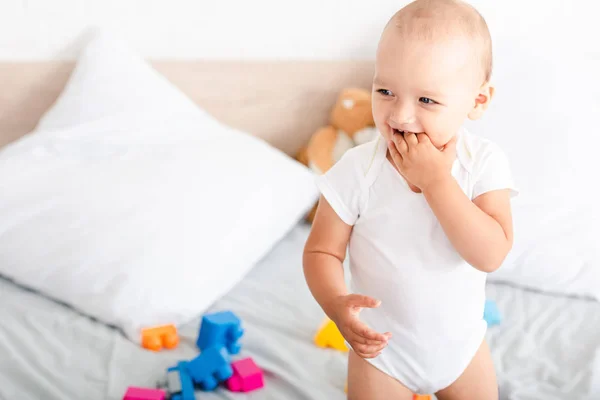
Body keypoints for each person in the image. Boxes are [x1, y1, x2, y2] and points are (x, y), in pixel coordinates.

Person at [302, 1, 518, 399]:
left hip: (462, 352)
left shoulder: (482, 164)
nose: (399, 115)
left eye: (426, 101)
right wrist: (336, 305)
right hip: (382, 354)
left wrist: (437, 182)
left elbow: (490, 254)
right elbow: (321, 252)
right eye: (385, 91)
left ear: (477, 102)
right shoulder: (358, 169)